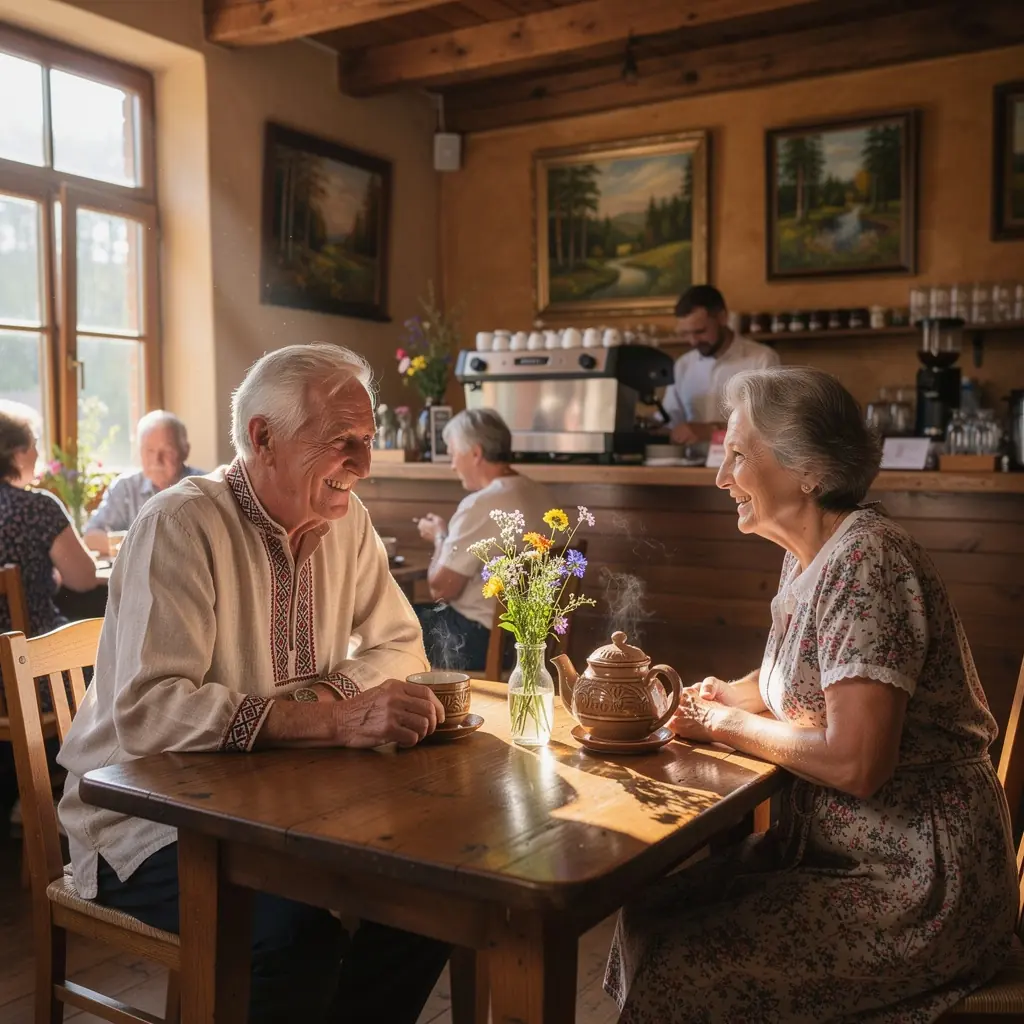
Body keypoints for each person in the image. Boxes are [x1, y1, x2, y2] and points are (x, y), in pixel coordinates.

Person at [606, 366, 1018, 1023]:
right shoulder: (812, 555)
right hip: (843, 853)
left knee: (681, 959)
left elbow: (857, 761)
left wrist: (722, 725)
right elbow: (816, 679)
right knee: (646, 914)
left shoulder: (866, 562)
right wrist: (734, 695)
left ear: (809, 471)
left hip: (915, 880)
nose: (721, 477)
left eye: (738, 456)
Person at [57, 345, 451, 1024]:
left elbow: (399, 643)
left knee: (432, 902)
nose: (362, 464)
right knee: (295, 937)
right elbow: (148, 713)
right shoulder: (180, 524)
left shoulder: (347, 521)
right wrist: (335, 720)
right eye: (342, 440)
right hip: (145, 821)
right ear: (263, 437)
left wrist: (322, 700)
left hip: (284, 806)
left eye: (367, 440)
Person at [0, 403, 97, 821]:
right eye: (34, 445)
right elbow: (84, 578)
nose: (38, 454)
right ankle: (82, 798)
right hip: (27, 674)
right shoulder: (37, 508)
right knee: (109, 665)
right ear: (17, 452)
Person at [414, 408, 550, 672]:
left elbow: (441, 590)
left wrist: (440, 536)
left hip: (479, 642)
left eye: (454, 454)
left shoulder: (481, 504)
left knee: (391, 623)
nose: (453, 465)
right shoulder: (542, 494)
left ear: (476, 453)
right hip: (531, 639)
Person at [662, 285, 779, 448]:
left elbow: (770, 427)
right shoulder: (683, 365)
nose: (693, 341)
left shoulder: (761, 360)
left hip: (744, 461)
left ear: (723, 318)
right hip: (690, 461)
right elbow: (670, 420)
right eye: (686, 333)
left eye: (700, 331)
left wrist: (711, 431)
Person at [82, 409, 203, 554]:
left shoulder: (203, 487)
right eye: (150, 450)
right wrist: (140, 545)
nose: (156, 460)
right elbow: (91, 537)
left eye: (167, 451)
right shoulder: (125, 488)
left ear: (185, 451)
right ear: (140, 452)